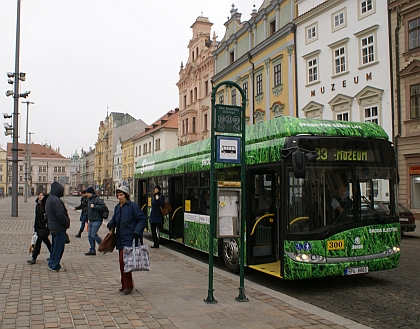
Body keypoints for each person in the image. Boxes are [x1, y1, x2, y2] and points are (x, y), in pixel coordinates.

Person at [107, 186, 147, 295]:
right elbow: (115, 219)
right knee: (122, 263)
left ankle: (128, 285)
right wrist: (111, 224)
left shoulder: (132, 206)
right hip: (120, 238)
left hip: (130, 238)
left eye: (121, 195)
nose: (119, 197)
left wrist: (137, 231)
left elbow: (142, 219)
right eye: (118, 195)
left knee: (123, 261)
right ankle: (125, 284)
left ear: (126, 195)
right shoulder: (117, 207)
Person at [46, 182, 70, 272]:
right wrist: (66, 223)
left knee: (54, 246)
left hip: (53, 226)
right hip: (58, 226)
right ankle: (55, 265)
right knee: (58, 247)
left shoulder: (50, 198)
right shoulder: (56, 200)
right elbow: (60, 215)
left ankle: (51, 263)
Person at [27, 191, 51, 265]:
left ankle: (34, 258)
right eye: (39, 195)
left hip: (44, 227)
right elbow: (36, 217)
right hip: (39, 227)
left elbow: (48, 216)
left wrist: (43, 222)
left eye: (42, 195)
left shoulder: (46, 205)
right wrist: (35, 226)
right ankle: (53, 254)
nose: (40, 197)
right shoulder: (38, 205)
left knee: (38, 242)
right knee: (47, 242)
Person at [85, 186, 107, 256]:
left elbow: (103, 207)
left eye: (88, 193)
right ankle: (92, 250)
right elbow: (88, 210)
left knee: (93, 235)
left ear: (91, 193)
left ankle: (104, 247)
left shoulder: (97, 199)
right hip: (91, 220)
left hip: (97, 220)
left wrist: (94, 206)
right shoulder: (89, 200)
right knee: (90, 236)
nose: (86, 194)